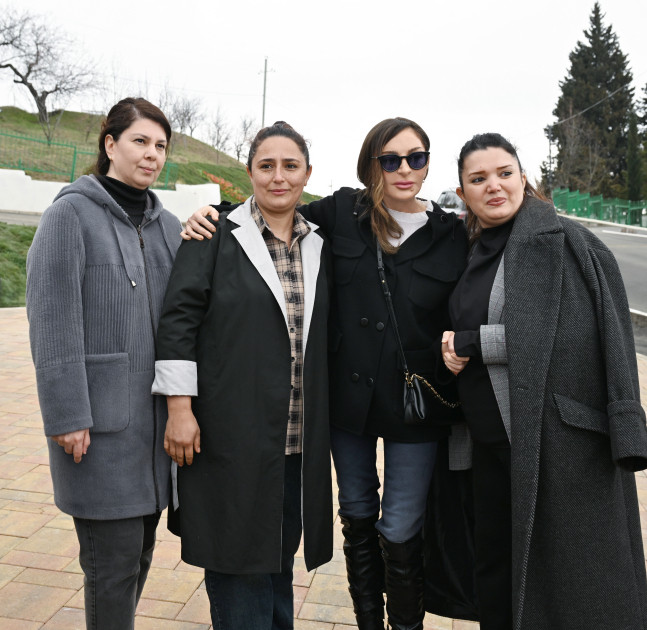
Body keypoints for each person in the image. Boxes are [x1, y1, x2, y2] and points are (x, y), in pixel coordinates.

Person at [183, 117, 470, 630]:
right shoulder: (342, 212)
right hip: (348, 402)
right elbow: (274, 209)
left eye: (416, 158)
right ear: (371, 165)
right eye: (390, 159)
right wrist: (214, 213)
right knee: (356, 512)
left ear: (429, 164)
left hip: (417, 404)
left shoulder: (452, 233)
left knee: (401, 525)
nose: (404, 169)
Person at [441, 132, 647, 629]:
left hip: (554, 446)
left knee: (565, 587)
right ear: (464, 192)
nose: (494, 185)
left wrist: (472, 343)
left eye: (504, 173)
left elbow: (566, 338)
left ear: (523, 176)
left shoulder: (566, 242)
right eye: (478, 179)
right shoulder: (472, 250)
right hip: (488, 447)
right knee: (496, 577)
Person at [151, 121, 333, 630]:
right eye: (266, 166)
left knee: (278, 560)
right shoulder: (213, 234)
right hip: (229, 436)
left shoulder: (321, 243)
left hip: (294, 442)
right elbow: (178, 321)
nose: (279, 177)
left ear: (307, 174)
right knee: (236, 562)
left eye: (290, 166)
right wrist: (179, 409)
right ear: (249, 172)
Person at [26, 97, 182, 630]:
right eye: (140, 141)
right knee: (111, 569)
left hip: (155, 434)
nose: (152, 154)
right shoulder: (69, 216)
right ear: (110, 145)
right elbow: (52, 321)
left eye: (160, 145)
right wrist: (67, 415)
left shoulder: (169, 226)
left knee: (139, 558)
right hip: (98, 431)